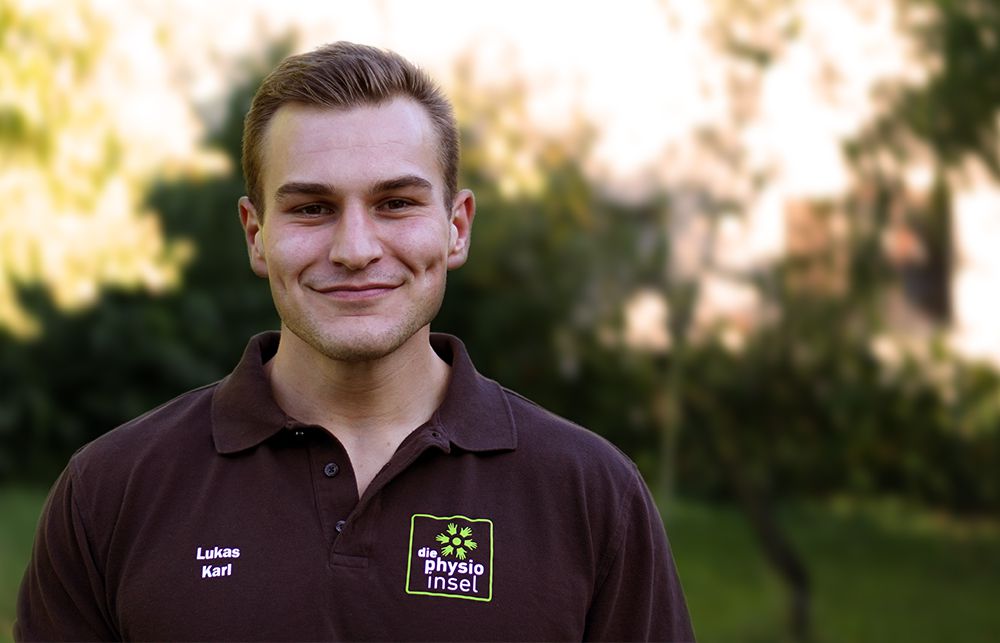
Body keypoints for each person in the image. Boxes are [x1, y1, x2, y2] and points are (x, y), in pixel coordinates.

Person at [15, 42, 694, 642]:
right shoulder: (110, 491)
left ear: (456, 227)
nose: (355, 248)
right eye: (311, 208)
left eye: (396, 203)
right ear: (256, 234)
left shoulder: (592, 494)